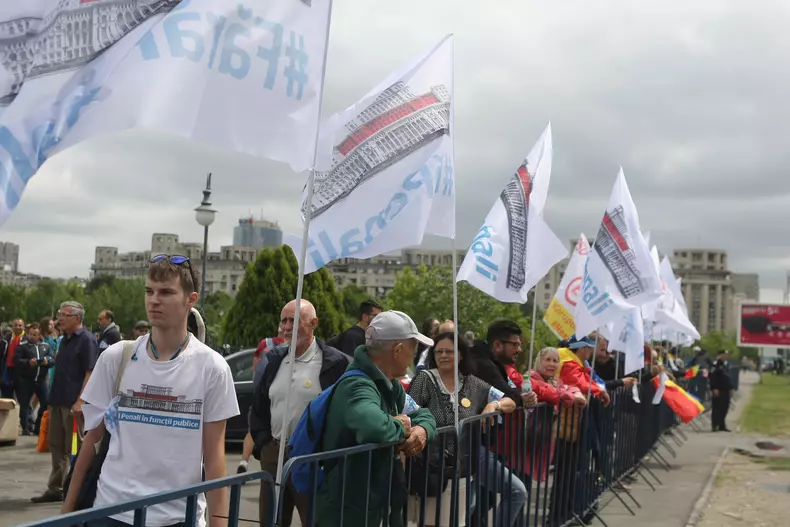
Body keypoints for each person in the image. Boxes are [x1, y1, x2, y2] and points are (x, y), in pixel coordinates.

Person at [62, 254, 240, 526]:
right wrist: (68, 512)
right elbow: (91, 441)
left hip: (178, 517)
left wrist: (218, 522)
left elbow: (215, 460)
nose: (154, 299)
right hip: (111, 513)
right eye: (149, 291)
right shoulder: (116, 357)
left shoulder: (212, 367)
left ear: (190, 299)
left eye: (166, 292)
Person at [316, 311, 437, 527]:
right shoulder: (357, 386)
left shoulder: (389, 384)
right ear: (398, 350)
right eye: (413, 347)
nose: (414, 354)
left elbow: (424, 414)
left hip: (374, 504)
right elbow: (375, 427)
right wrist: (406, 425)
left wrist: (423, 431)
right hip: (349, 511)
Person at [250, 299, 349, 527]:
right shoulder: (273, 360)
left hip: (312, 459)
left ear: (314, 323)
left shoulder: (334, 363)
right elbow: (258, 408)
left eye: (293, 321)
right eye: (283, 320)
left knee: (316, 521)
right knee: (271, 521)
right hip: (273, 456)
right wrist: (264, 445)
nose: (286, 327)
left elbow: (342, 413)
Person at [407, 332, 521, 527]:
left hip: (462, 473)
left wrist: (495, 405)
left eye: (449, 351)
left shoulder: (473, 383)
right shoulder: (423, 380)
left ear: (460, 355)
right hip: (429, 472)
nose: (443, 355)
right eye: (439, 351)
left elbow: (511, 400)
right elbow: (406, 414)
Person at [32, 302, 97, 504]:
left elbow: (90, 372)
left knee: (77, 449)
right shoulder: (65, 340)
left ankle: (78, 489)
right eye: (60, 314)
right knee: (56, 445)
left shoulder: (86, 340)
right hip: (57, 400)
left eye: (64, 315)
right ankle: (56, 487)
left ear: (77, 318)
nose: (60, 318)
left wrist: (81, 401)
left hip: (73, 405)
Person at [524, 347, 586, 483]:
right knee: (522, 481)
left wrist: (576, 392)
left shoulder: (556, 380)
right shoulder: (531, 376)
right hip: (527, 437)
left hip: (544, 438)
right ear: (539, 361)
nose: (552, 364)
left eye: (555, 360)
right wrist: (572, 396)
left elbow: (567, 388)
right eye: (547, 360)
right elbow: (553, 392)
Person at [470, 320, 538, 406]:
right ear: (497, 345)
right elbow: (505, 393)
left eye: (519, 345)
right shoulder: (483, 364)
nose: (519, 350)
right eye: (514, 345)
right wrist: (523, 398)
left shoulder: (490, 360)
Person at [13, 323, 53, 435]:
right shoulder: (22, 346)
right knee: (25, 404)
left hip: (41, 379)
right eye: (30, 334)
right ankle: (25, 427)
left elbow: (52, 359)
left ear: (39, 335)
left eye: (35, 334)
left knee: (45, 402)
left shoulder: (45, 346)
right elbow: (16, 360)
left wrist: (47, 362)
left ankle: (38, 426)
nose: (32, 337)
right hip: (27, 379)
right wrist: (28, 362)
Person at [1, 318, 26, 399]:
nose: (18, 327)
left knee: (23, 399)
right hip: (8, 371)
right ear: (12, 327)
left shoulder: (28, 340)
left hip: (21, 372)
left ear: (24, 327)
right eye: (15, 325)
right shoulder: (6, 339)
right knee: (6, 398)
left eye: (20, 325)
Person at [709, 351, 733, 432]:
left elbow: (728, 376)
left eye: (727, 355)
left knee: (724, 408)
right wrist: (714, 388)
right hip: (718, 389)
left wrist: (730, 387)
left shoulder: (726, 364)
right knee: (717, 408)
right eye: (724, 355)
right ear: (720, 355)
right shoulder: (716, 364)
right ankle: (715, 425)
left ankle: (722, 425)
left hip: (726, 389)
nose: (726, 357)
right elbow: (712, 377)